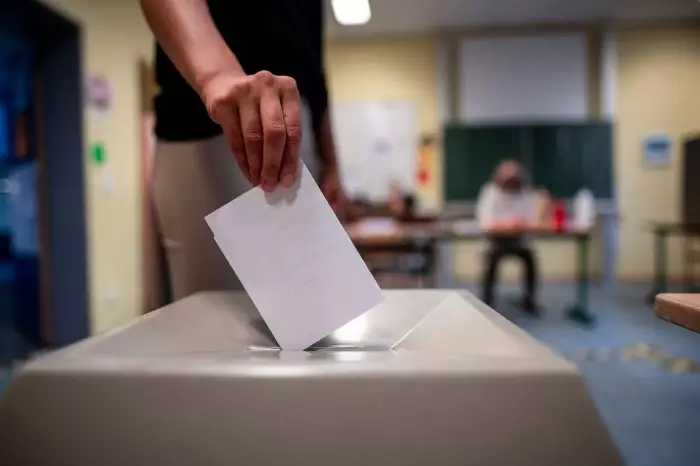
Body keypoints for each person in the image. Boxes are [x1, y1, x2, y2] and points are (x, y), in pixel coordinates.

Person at [139, 0, 345, 300]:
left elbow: (313, 62)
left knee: (308, 307)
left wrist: (331, 162)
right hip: (208, 124)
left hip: (295, 134)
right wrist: (216, 75)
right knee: (218, 316)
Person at [476, 159, 540, 314]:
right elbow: (485, 222)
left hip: (518, 240)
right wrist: (509, 224)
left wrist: (518, 225)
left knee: (530, 258)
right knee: (491, 258)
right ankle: (487, 301)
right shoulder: (490, 192)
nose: (511, 181)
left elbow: (529, 220)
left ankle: (529, 301)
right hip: (495, 241)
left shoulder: (525, 193)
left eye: (514, 177)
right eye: (508, 177)